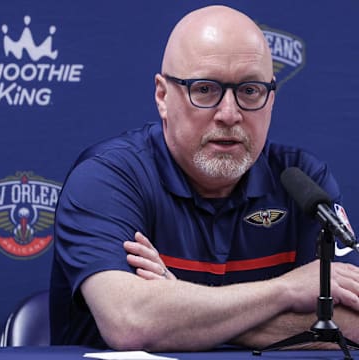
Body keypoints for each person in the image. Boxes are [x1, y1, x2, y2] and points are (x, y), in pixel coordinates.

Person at [50, 5, 359, 352]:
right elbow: (132, 322)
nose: (229, 114)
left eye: (250, 90)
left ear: (271, 98)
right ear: (163, 96)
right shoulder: (108, 179)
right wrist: (285, 290)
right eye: (205, 89)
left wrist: (178, 305)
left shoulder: (304, 183)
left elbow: (350, 325)